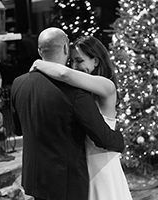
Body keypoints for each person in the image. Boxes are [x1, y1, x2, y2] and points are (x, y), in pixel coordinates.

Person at [11, 27, 124, 200]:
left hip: (97, 165)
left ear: (96, 61)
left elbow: (65, 74)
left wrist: (39, 62)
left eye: (79, 60)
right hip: (70, 174)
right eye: (73, 60)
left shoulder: (18, 83)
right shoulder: (76, 91)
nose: (75, 66)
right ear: (65, 49)